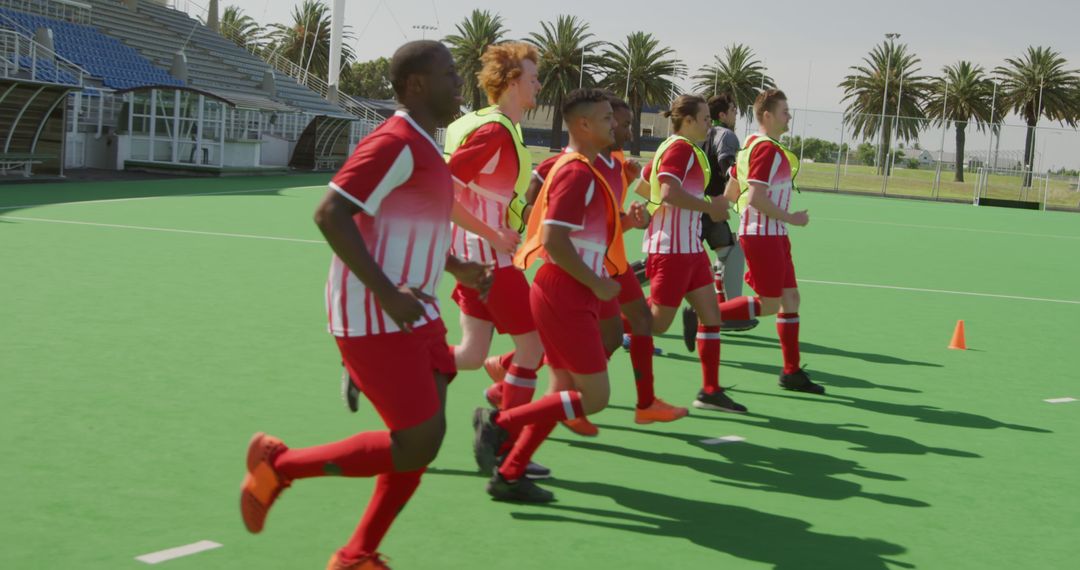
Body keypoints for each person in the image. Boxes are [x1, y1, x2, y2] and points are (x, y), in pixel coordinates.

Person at [239, 41, 493, 570]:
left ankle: (358, 554)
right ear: (417, 85)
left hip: (414, 311)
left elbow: (408, 226)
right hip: (376, 315)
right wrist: (386, 293)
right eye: (449, 75)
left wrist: (454, 266)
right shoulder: (396, 141)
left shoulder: (424, 144)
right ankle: (279, 466)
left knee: (423, 437)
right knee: (418, 443)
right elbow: (330, 213)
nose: (460, 84)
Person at [473, 88, 625, 502]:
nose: (616, 124)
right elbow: (556, 242)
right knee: (594, 398)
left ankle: (510, 472)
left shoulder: (584, 169)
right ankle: (502, 424)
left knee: (561, 389)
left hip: (572, 291)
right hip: (567, 293)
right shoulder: (576, 172)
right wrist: (596, 284)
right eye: (608, 117)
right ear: (584, 125)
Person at [524, 94, 688, 434]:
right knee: (596, 351)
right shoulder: (578, 165)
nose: (621, 128)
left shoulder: (616, 164)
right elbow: (542, 199)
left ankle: (640, 403)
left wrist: (630, 220)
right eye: (615, 121)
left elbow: (603, 223)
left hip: (605, 263)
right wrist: (532, 215)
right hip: (582, 272)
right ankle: (518, 391)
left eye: (624, 123)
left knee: (624, 330)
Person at [443, 43, 548, 444]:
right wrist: (495, 234)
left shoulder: (503, 128)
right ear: (510, 81)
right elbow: (444, 193)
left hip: (475, 260)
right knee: (533, 348)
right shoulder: (494, 131)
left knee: (471, 355)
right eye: (531, 76)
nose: (538, 83)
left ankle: (382, 369)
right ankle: (503, 440)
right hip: (490, 262)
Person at [640, 95, 747, 413]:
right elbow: (669, 191)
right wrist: (709, 207)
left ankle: (710, 391)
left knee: (711, 316)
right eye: (704, 119)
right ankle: (602, 324)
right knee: (657, 324)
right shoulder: (679, 149)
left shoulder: (680, 149)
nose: (709, 123)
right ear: (686, 121)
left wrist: (649, 214)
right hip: (672, 250)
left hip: (690, 248)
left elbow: (646, 185)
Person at [720, 89, 825, 394]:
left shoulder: (754, 147)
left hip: (773, 235)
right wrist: (791, 217)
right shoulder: (764, 149)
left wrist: (720, 206)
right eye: (784, 111)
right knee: (769, 305)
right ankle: (707, 315)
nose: (789, 116)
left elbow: (732, 190)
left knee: (790, 299)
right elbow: (755, 197)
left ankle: (791, 371)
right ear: (767, 116)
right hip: (763, 234)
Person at [681, 93, 759, 351]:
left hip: (698, 207)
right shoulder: (726, 135)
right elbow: (728, 166)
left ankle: (722, 310)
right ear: (722, 115)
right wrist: (738, 190)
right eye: (734, 110)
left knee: (725, 252)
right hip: (708, 207)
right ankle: (726, 312)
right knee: (726, 254)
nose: (737, 114)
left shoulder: (701, 135)